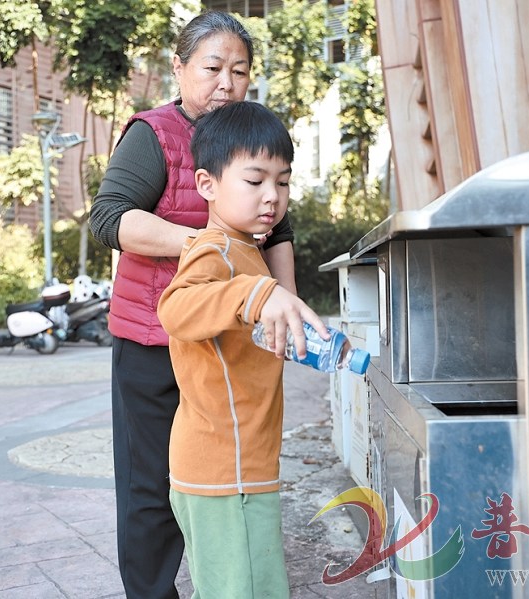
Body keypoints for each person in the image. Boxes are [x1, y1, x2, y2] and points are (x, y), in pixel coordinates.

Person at [89, 12, 305, 599]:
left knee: (222, 478)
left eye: (239, 71)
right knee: (151, 491)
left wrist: (286, 311)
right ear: (179, 68)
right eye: (212, 68)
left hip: (227, 350)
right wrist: (210, 247)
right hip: (154, 341)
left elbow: (281, 230)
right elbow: (110, 218)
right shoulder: (154, 133)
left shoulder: (253, 135)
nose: (226, 84)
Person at [157, 101, 328, 598]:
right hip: (222, 472)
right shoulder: (214, 249)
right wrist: (258, 293)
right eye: (254, 181)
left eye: (283, 181)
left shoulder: (247, 249)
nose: (271, 196)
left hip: (241, 465)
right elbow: (177, 308)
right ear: (208, 184)